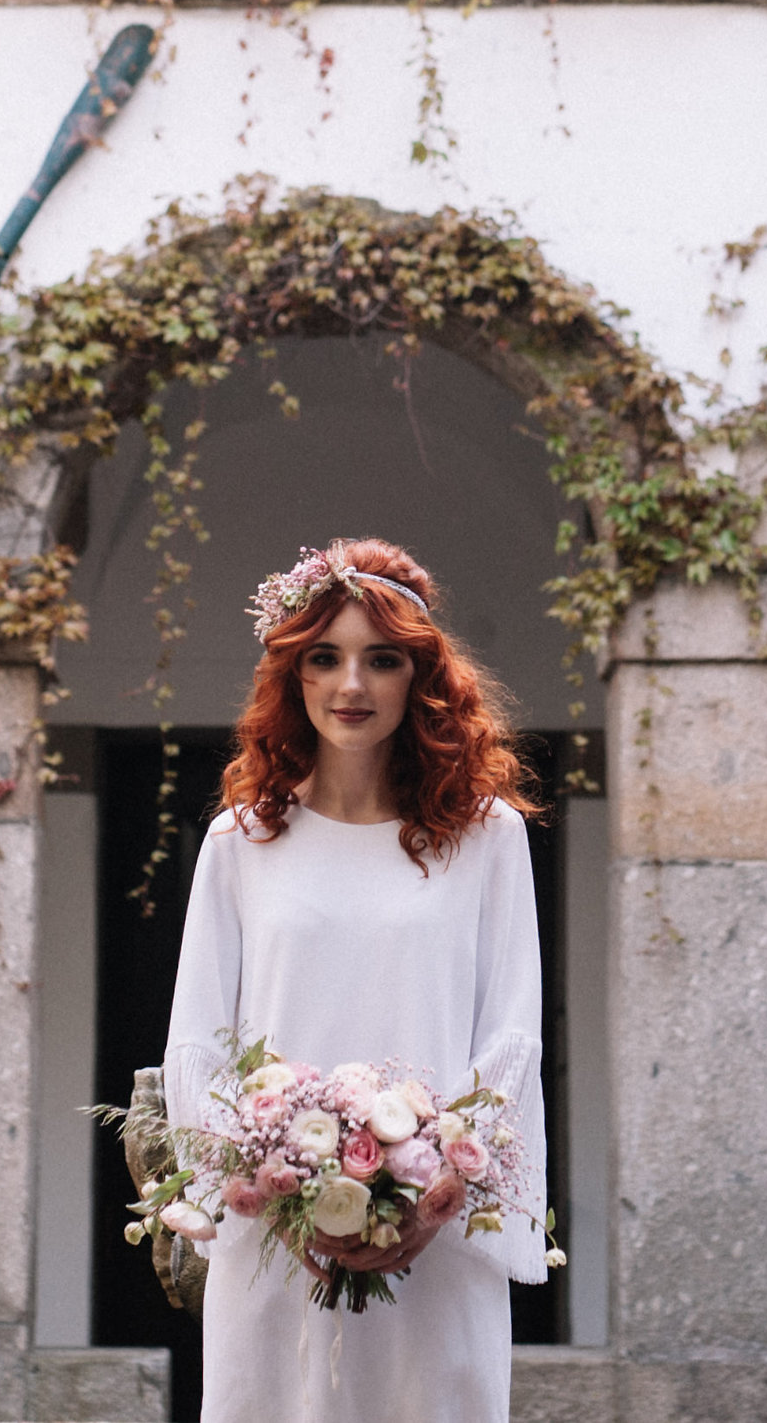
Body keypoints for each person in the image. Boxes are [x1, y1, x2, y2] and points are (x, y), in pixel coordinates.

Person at [157, 536, 553, 1423]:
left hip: (439, 1235)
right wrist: (269, 1186)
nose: (352, 685)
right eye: (324, 659)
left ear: (421, 675)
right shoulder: (241, 842)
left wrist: (437, 1192)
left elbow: (509, 1036)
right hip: (273, 1236)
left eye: (382, 660)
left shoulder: (488, 839)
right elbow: (197, 1042)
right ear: (292, 676)